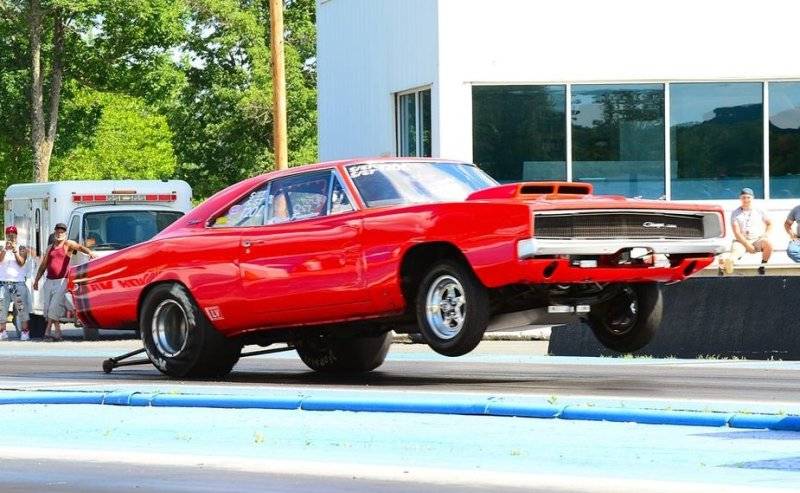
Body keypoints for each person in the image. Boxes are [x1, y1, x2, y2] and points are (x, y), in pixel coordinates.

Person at [33, 223, 97, 341]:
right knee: (47, 308)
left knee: (54, 306)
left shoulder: (68, 244)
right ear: (55, 232)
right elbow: (43, 265)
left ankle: (47, 331)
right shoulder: (50, 247)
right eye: (57, 231)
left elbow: (79, 247)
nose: (59, 233)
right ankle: (57, 332)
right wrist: (36, 280)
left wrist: (90, 253)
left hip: (62, 280)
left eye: (62, 232)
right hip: (49, 280)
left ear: (65, 233)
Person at [724, 187, 772, 275]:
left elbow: (770, 224)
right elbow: (737, 232)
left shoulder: (759, 210)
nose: (746, 200)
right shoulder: (735, 213)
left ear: (752, 198)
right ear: (740, 198)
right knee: (735, 253)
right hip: (741, 240)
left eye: (748, 197)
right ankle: (727, 266)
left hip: (756, 239)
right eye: (743, 197)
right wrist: (747, 245)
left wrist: (765, 234)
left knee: (768, 244)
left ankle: (762, 266)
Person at [0, 225, 31, 341]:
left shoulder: (21, 248)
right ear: (6, 235)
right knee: (2, 308)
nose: (11, 237)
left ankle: (25, 332)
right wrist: (4, 249)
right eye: (9, 235)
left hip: (18, 284)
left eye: (13, 235)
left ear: (16, 236)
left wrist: (14, 250)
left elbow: (21, 262)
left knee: (21, 308)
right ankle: (2, 331)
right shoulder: (1, 247)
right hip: (3, 283)